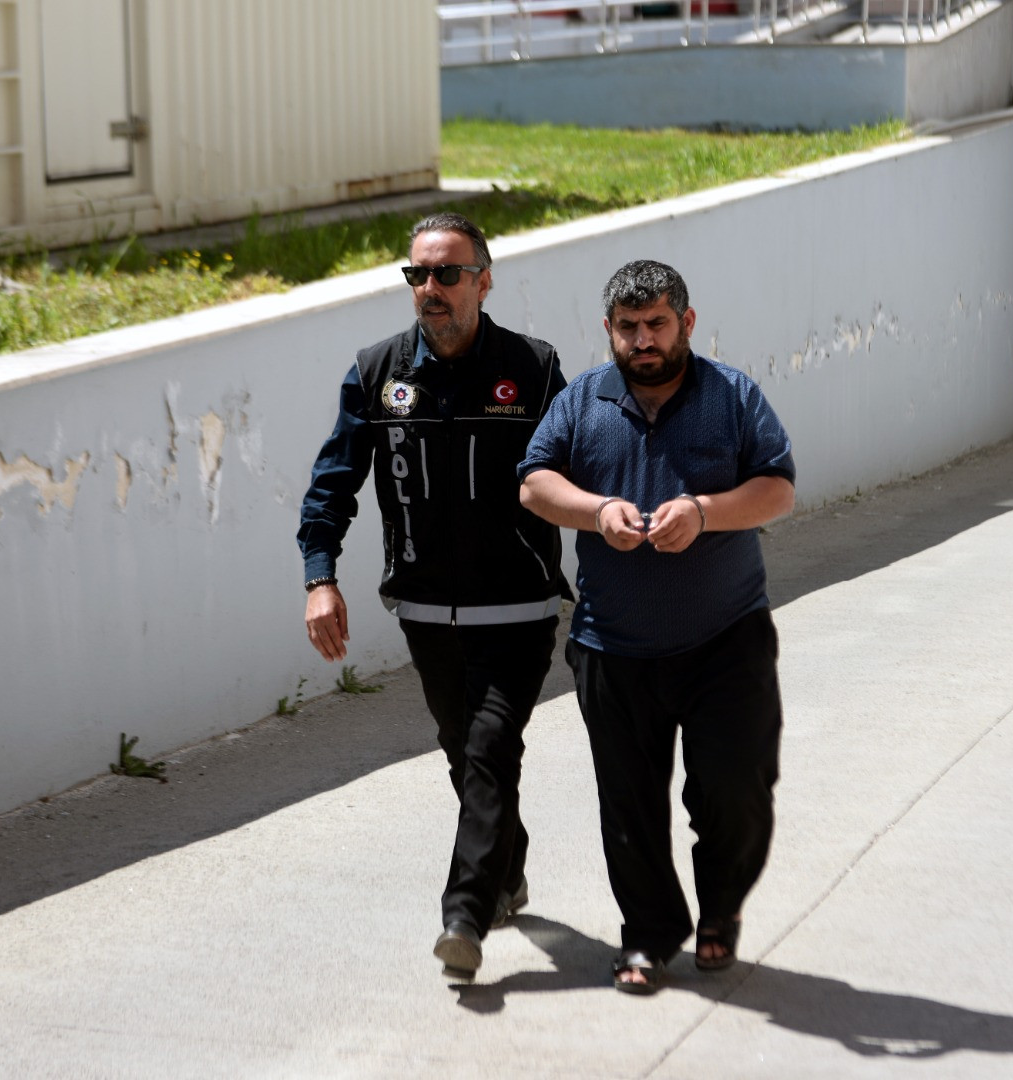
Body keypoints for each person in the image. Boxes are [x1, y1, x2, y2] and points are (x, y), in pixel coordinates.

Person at [297, 212, 568, 982]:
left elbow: (587, 464)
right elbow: (332, 486)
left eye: (447, 273)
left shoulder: (535, 368)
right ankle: (506, 870)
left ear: (484, 279)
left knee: (488, 747)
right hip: (424, 611)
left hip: (518, 607)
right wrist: (321, 578)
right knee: (464, 753)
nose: (430, 288)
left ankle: (464, 915)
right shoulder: (377, 371)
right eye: (417, 274)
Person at [519, 259, 795, 995]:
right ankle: (648, 935)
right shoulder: (582, 400)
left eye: (657, 325)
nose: (643, 340)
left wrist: (703, 512)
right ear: (607, 330)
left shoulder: (732, 395)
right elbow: (535, 481)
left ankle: (720, 910)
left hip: (725, 638)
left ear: (686, 322)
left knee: (735, 790)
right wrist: (596, 511)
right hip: (614, 645)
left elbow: (776, 489)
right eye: (628, 328)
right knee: (629, 807)